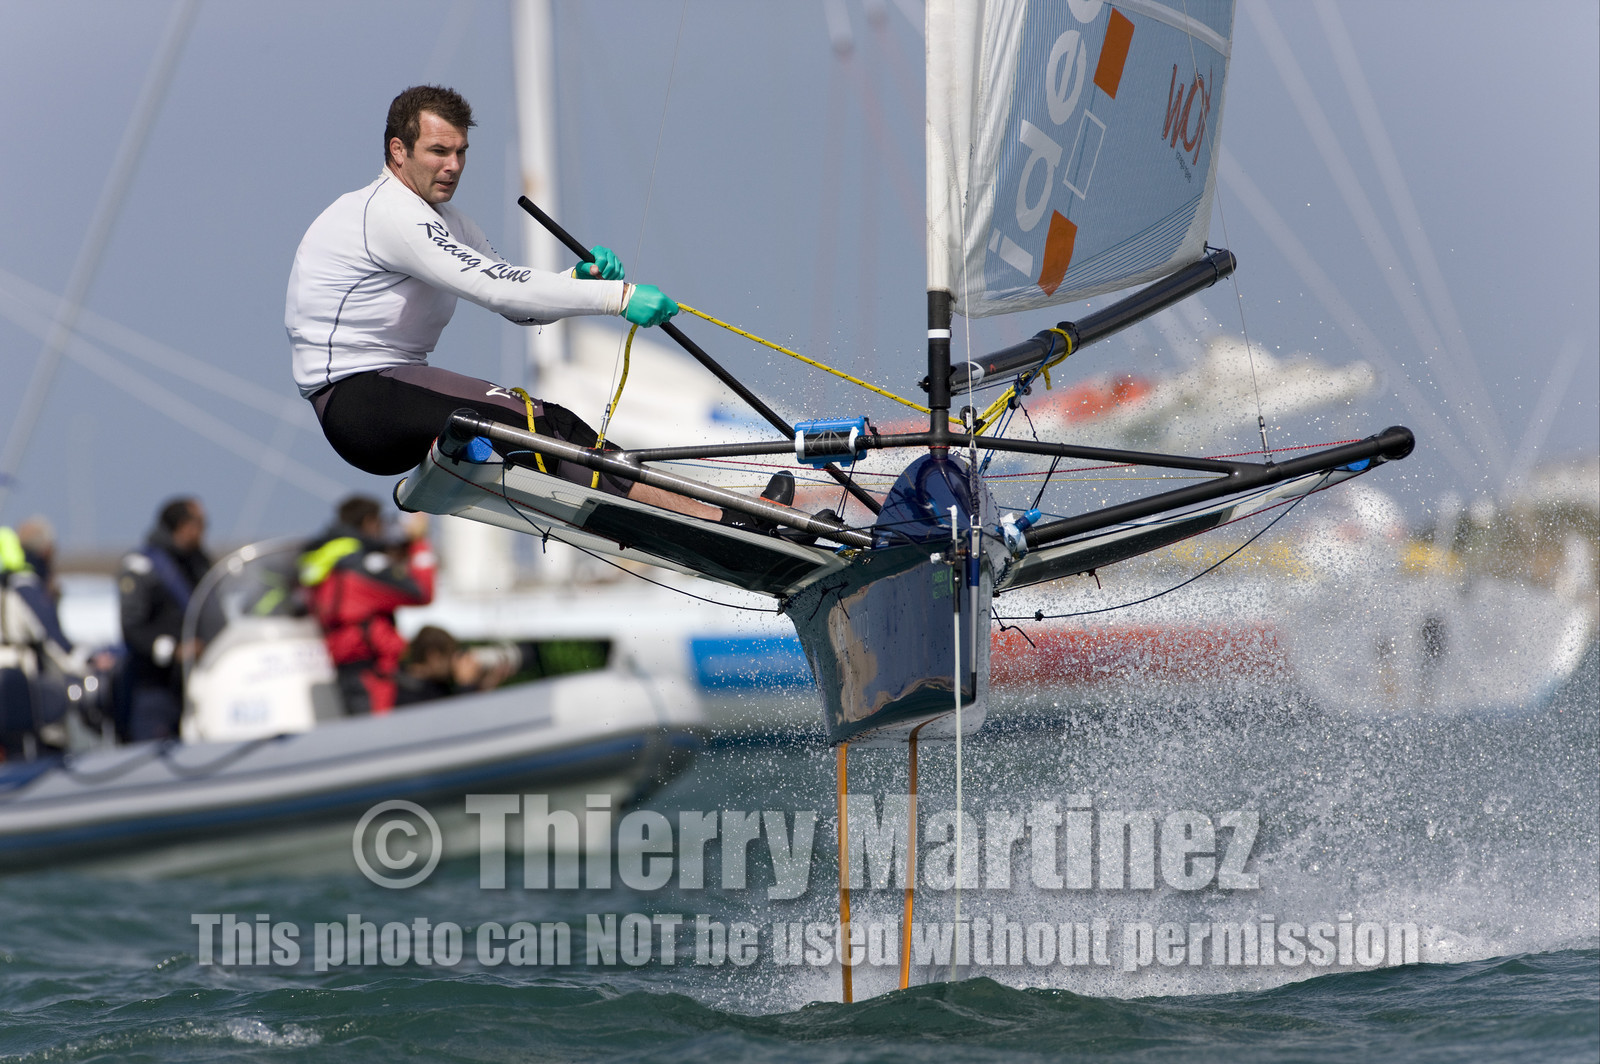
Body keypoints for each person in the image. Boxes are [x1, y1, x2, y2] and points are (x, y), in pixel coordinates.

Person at [285, 84, 797, 527]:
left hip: (392, 392)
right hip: (359, 404)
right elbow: (495, 288)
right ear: (398, 151)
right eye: (438, 151)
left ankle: (723, 514)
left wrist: (576, 279)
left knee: (556, 427)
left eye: (461, 152)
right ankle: (724, 521)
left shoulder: (449, 223)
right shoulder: (387, 213)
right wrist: (617, 298)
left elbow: (518, 304)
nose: (453, 166)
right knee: (534, 426)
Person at [300, 496, 435, 715]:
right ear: (369, 522)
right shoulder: (362, 567)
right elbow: (422, 592)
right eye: (381, 523)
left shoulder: (327, 562)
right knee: (381, 732)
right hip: (372, 678)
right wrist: (419, 543)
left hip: (347, 671)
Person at [118, 498, 211, 741]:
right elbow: (132, 628)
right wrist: (175, 650)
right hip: (154, 687)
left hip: (196, 683)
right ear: (183, 526)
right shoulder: (142, 566)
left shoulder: (199, 564)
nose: (205, 530)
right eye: (201, 523)